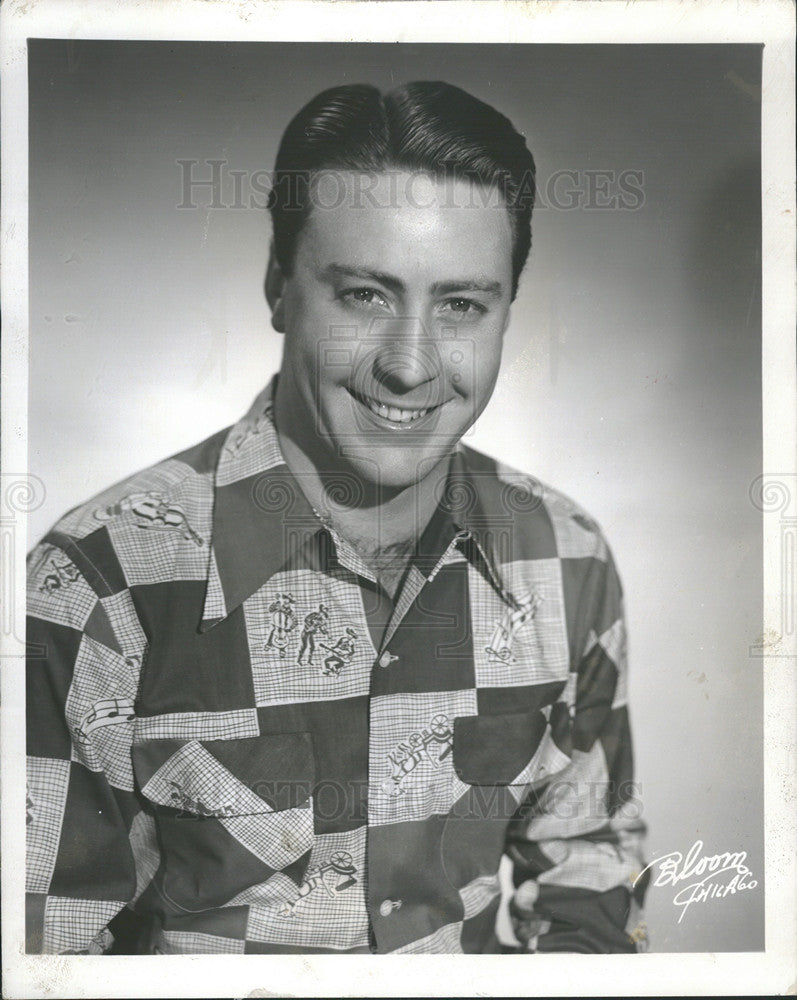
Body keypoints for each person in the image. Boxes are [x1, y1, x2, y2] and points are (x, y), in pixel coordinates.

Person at [25, 81, 648, 955]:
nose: (410, 365)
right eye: (365, 294)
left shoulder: (565, 559)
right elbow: (40, 959)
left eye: (461, 305)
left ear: (507, 310)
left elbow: (589, 894)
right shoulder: (99, 584)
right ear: (280, 288)